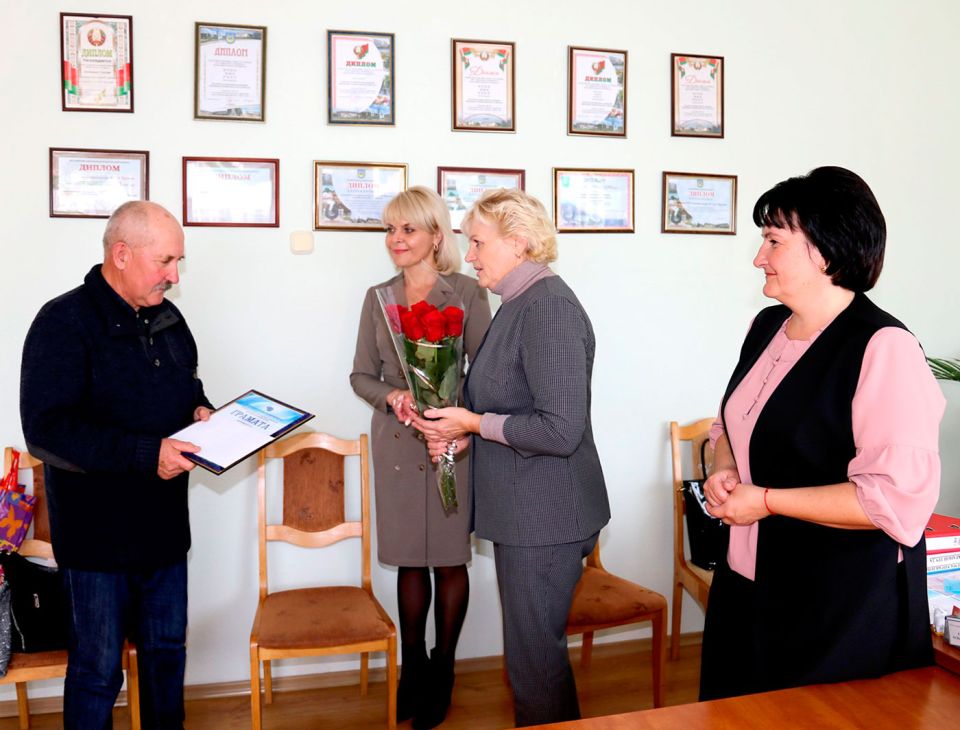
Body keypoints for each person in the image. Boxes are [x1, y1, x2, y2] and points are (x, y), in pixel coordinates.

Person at [699, 166, 944, 700]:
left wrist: (764, 500)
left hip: (837, 603)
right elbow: (729, 425)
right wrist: (725, 467)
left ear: (826, 253)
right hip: (748, 580)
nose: (759, 257)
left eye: (774, 241)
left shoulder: (884, 347)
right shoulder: (766, 327)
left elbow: (891, 501)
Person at [412, 189, 610, 727]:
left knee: (534, 666)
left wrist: (474, 424)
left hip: (546, 516)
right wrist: (464, 434)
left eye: (478, 242)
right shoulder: (517, 302)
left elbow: (561, 429)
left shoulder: (548, 308)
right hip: (528, 512)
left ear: (519, 243)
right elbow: (512, 407)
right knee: (531, 661)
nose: (469, 255)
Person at [20, 201, 212, 729]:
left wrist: (202, 412)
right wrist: (148, 454)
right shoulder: (63, 322)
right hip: (96, 541)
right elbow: (47, 431)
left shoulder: (170, 318)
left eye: (178, 262)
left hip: (164, 532)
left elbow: (186, 389)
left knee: (166, 659)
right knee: (97, 673)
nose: (174, 276)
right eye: (165, 261)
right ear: (121, 254)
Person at [350, 186, 491, 728]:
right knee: (410, 560)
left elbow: (489, 374)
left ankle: (444, 669)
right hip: (396, 443)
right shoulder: (378, 297)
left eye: (407, 229)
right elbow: (360, 375)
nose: (396, 239)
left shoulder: (468, 292)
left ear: (436, 235)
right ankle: (413, 670)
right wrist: (393, 396)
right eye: (390, 229)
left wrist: (459, 418)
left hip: (452, 442)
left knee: (450, 559)